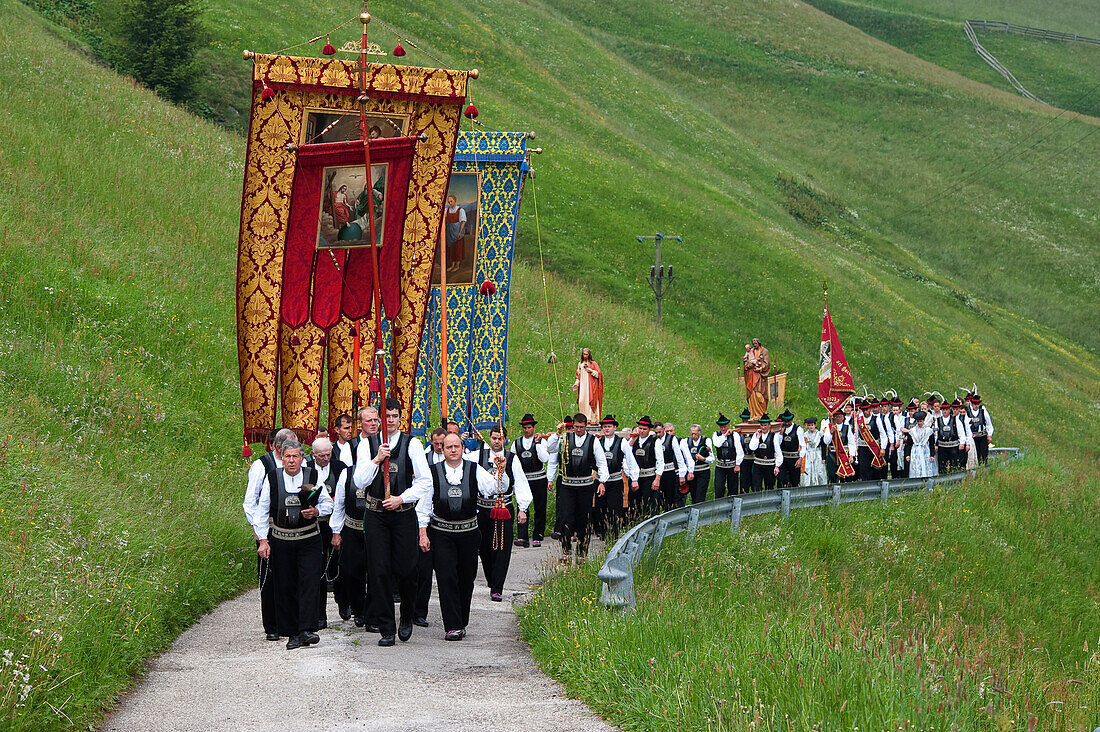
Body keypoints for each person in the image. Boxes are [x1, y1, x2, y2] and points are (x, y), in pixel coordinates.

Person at [353, 398, 433, 646]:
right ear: (378, 419)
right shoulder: (367, 445)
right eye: (385, 416)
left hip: (402, 514)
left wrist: (401, 498)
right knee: (378, 571)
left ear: (400, 418)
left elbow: (425, 481)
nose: (389, 420)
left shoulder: (412, 444)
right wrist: (376, 460)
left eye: (394, 416)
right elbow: (359, 481)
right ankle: (386, 628)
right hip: (376, 515)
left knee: (408, 570)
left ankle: (406, 616)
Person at [253, 440, 333, 650]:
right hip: (282, 540)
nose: (291, 461)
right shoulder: (273, 478)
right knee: (285, 585)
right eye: (287, 456)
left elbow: (327, 504)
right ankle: (291, 633)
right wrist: (263, 540)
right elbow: (261, 511)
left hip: (308, 539)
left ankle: (307, 629)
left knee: (309, 582)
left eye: (295, 456)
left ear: (302, 458)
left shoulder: (313, 476)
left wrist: (316, 512)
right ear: (282, 457)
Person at [420, 433, 498, 640]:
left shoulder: (474, 469)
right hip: (441, 533)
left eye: (457, 446)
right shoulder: (433, 472)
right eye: (448, 447)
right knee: (446, 577)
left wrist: (500, 469)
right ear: (442, 450)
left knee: (466, 578)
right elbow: (424, 505)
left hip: (469, 533)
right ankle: (452, 626)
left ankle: (461, 620)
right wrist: (422, 533)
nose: (453, 450)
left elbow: (494, 488)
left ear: (463, 448)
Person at [467, 424, 532, 601]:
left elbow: (520, 482)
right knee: (485, 549)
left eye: (500, 438)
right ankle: (491, 579)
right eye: (494, 438)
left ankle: (497, 587)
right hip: (482, 509)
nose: (497, 441)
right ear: (490, 438)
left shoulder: (512, 458)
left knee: (502, 548)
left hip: (503, 508)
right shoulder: (476, 456)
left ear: (505, 440)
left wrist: (523, 508)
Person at [243, 427, 295, 640]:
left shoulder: (297, 465)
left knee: (291, 576)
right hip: (269, 529)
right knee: (270, 577)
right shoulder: (261, 466)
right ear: (278, 447)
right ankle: (272, 626)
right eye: (290, 446)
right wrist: (258, 530)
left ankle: (290, 623)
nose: (295, 451)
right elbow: (250, 501)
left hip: (292, 528)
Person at [306, 436, 348, 630]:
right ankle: (320, 615)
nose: (325, 459)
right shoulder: (306, 469)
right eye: (321, 456)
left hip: (336, 522)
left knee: (341, 565)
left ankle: (343, 600)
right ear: (313, 454)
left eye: (328, 454)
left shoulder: (339, 467)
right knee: (319, 570)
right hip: (316, 524)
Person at [556, 413, 608, 561]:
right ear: (572, 426)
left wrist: (602, 482)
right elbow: (551, 451)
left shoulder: (593, 441)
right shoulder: (565, 438)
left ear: (586, 426)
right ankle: (566, 552)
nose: (578, 430)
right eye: (576, 427)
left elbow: (602, 462)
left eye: (581, 427)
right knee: (566, 517)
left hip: (585, 486)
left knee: (583, 519)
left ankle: (582, 553)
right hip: (567, 485)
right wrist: (557, 434)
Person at [412, 427, 449, 629]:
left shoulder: (453, 464)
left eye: (441, 443)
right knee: (422, 570)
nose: (439, 447)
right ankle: (418, 611)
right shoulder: (423, 459)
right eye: (436, 443)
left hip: (443, 522)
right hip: (422, 519)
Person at [512, 414, 558, 548]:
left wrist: (537, 444)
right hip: (524, 480)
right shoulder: (516, 443)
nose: (527, 430)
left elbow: (545, 458)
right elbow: (513, 463)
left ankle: (538, 535)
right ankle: (523, 537)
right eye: (525, 428)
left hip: (539, 479)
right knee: (523, 506)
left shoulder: (541, 442)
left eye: (529, 427)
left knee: (539, 508)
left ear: (534, 427)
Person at [597, 415, 638, 535]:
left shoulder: (622, 442)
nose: (607, 429)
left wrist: (634, 478)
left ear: (615, 428)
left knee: (615, 509)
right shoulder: (598, 442)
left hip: (615, 481)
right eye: (604, 427)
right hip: (601, 481)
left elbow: (630, 461)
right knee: (600, 508)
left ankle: (614, 534)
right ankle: (602, 533)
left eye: (609, 426)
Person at [628, 416, 664, 518]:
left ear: (649, 430)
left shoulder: (655, 441)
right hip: (635, 477)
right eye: (640, 428)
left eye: (645, 429)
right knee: (634, 504)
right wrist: (631, 441)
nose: (642, 431)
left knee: (649, 504)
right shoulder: (633, 441)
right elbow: (626, 455)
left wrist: (657, 479)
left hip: (649, 477)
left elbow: (660, 461)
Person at [655, 422, 687, 510]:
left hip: (669, 472)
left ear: (663, 430)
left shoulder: (672, 439)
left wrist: (682, 474)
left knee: (670, 497)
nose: (658, 434)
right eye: (656, 432)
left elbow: (679, 458)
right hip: (658, 473)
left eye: (660, 432)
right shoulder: (654, 440)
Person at [748, 414, 782, 491]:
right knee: (756, 486)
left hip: (769, 465)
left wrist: (777, 466)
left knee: (769, 486)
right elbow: (752, 447)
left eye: (765, 425)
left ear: (769, 425)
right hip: (758, 465)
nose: (763, 427)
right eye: (762, 425)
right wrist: (757, 438)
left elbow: (778, 452)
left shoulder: (774, 436)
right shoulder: (756, 435)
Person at [711, 414, 742, 500]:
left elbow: (739, 451)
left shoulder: (735, 435)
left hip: (732, 465)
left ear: (728, 426)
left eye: (725, 427)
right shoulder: (716, 435)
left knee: (732, 488)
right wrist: (724, 436)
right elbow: (717, 444)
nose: (723, 429)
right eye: (721, 427)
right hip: (720, 465)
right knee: (719, 487)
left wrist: (738, 464)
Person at [682, 424, 715, 504]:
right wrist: (689, 471)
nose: (693, 436)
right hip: (692, 472)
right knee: (693, 495)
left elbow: (712, 458)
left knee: (700, 496)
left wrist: (704, 459)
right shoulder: (686, 441)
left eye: (695, 434)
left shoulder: (706, 441)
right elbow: (686, 457)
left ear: (700, 432)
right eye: (692, 434)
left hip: (703, 471)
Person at [571, 348, 603, 424]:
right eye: (584, 354)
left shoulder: (593, 364)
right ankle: (582, 419)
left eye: (586, 354)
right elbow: (578, 375)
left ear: (589, 355)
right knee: (581, 401)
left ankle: (591, 419)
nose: (585, 356)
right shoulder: (580, 364)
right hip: (582, 386)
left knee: (590, 401)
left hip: (591, 387)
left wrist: (591, 371)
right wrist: (576, 383)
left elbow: (599, 374)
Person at [775, 409, 805, 489]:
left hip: (794, 458)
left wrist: (800, 458)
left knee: (794, 480)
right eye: (785, 421)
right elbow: (778, 444)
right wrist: (781, 433)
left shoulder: (798, 429)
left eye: (788, 421)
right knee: (781, 480)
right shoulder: (781, 429)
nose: (787, 423)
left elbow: (803, 445)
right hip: (784, 458)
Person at [743, 338, 770, 420]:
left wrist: (760, 369)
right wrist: (747, 366)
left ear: (759, 343)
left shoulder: (764, 351)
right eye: (753, 343)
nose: (754, 344)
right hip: (751, 376)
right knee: (752, 395)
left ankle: (762, 414)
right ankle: (754, 415)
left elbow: (767, 363)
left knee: (760, 396)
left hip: (760, 377)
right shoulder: (750, 351)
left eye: (756, 343)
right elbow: (746, 362)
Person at [903, 411, 936, 478]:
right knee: (916, 467)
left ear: (923, 420)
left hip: (925, 450)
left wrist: (932, 455)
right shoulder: (912, 431)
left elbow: (931, 443)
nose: (919, 423)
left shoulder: (928, 431)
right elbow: (909, 444)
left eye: (921, 421)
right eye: (918, 421)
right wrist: (907, 454)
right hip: (915, 451)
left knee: (926, 466)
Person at [966, 394, 994, 464]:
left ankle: (984, 468)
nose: (976, 406)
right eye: (975, 404)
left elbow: (988, 423)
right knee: (975, 455)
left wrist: (989, 435)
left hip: (982, 436)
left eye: (978, 404)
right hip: (973, 437)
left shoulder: (983, 411)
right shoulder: (968, 412)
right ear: (971, 404)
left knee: (984, 455)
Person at [800, 418, 828, 486]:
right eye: (809, 425)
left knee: (819, 471)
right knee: (808, 470)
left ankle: (820, 486)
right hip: (808, 454)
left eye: (812, 425)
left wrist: (824, 458)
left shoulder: (819, 434)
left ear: (815, 425)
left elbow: (823, 446)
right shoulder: (805, 435)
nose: (811, 427)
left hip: (817, 454)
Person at [444, 194, 467, 273]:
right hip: (450, 231)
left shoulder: (460, 210)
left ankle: (457, 265)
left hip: (457, 231)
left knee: (458, 248)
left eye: (451, 201)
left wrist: (460, 231)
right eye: (449, 202)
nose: (450, 203)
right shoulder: (447, 210)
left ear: (455, 200)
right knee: (451, 248)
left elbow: (463, 221)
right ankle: (452, 265)